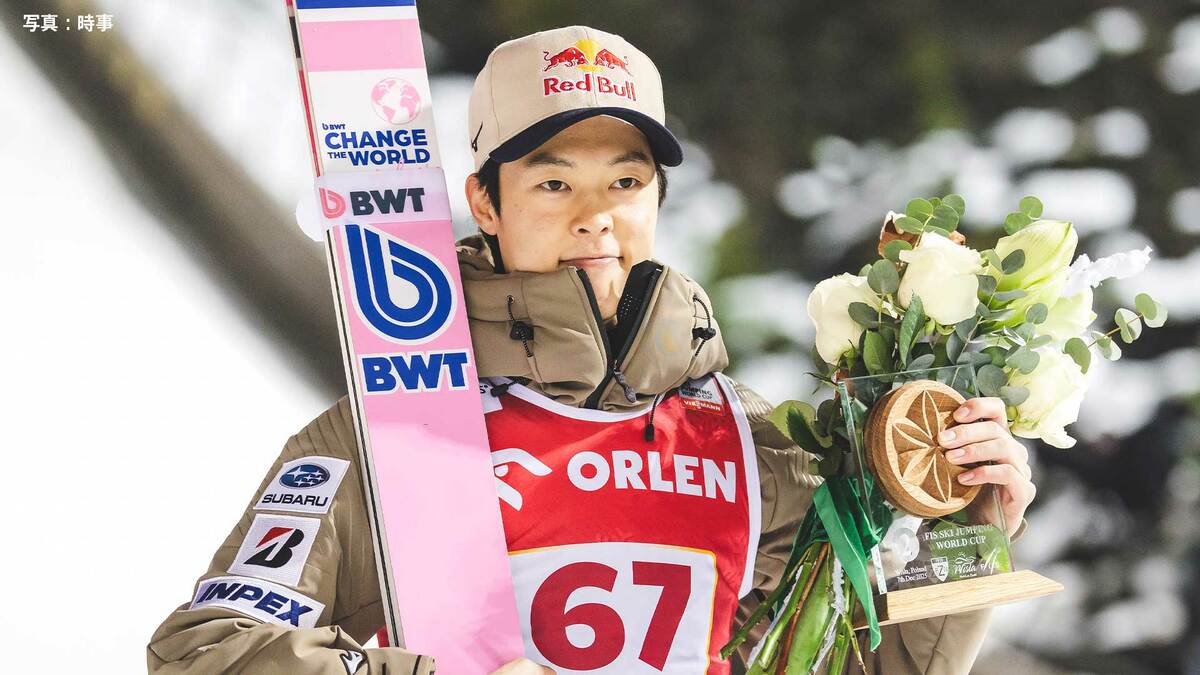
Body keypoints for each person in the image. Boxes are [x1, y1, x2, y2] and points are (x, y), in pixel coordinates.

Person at [147, 25, 1037, 675]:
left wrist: (966, 533)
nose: (595, 216)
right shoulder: (388, 431)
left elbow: (853, 668)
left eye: (625, 180)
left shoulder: (751, 439)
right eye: (553, 181)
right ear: (485, 203)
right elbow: (204, 651)